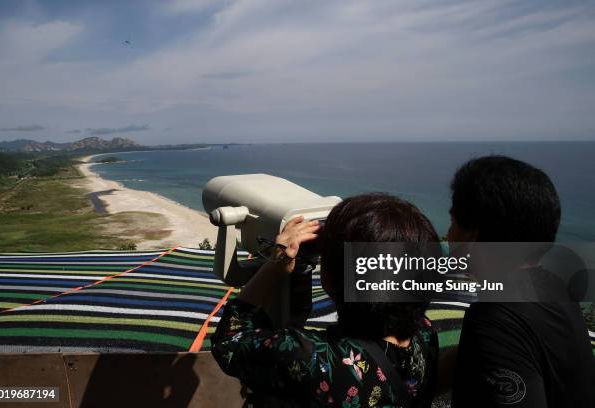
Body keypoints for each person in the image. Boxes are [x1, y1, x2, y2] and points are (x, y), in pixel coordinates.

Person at [211, 193, 439, 407]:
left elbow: (230, 341)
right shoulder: (425, 334)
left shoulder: (311, 359)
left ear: (331, 282)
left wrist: (278, 260)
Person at [447, 156, 594, 407]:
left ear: (473, 236)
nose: (448, 234)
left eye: (453, 223)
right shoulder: (552, 289)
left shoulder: (496, 318)